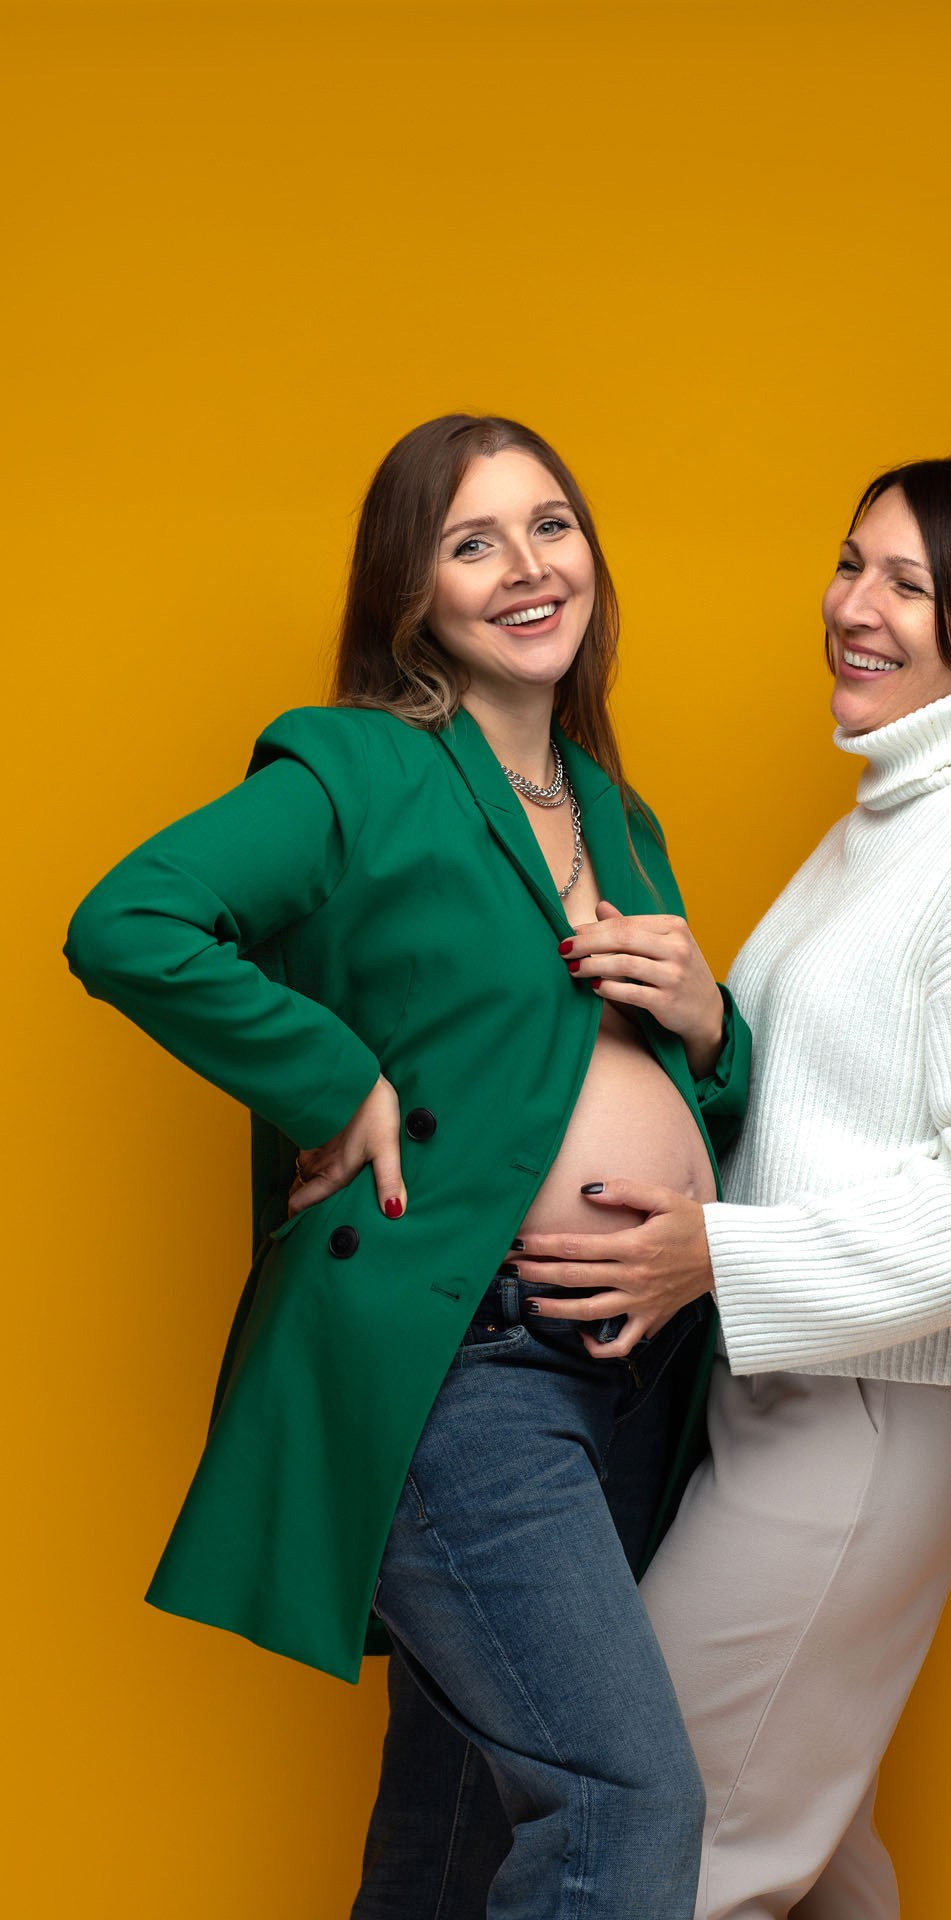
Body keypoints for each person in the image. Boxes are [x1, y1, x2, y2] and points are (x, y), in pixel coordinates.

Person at [63, 414, 751, 1920]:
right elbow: (129, 923)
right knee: (625, 1802)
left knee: (457, 1832)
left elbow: (657, 1084)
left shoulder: (615, 812)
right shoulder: (360, 768)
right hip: (465, 1365)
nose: (529, 568)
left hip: (630, 1374)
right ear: (412, 592)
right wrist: (336, 1080)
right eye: (472, 542)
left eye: (552, 525)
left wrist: (711, 1025)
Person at [515, 455, 951, 1917]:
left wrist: (711, 1255)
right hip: (797, 1391)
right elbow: (843, 1099)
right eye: (853, 564)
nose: (853, 606)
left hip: (868, 1413)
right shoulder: (897, 815)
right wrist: (708, 1024)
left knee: (671, 1848)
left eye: (908, 585)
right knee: (802, 1842)